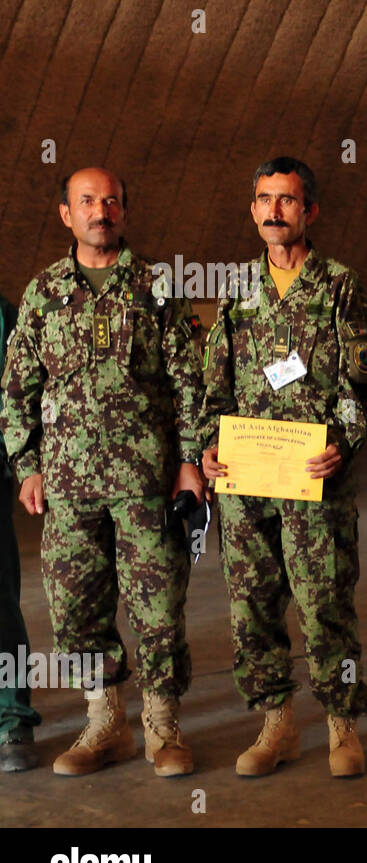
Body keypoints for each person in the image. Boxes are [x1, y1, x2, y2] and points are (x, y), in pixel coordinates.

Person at [0, 168, 205, 777]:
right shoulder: (43, 294)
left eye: (111, 200)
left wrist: (191, 460)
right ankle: (104, 721)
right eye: (87, 201)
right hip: (67, 489)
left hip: (148, 482)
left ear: (124, 210)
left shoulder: (158, 289)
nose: (101, 211)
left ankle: (163, 726)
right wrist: (28, 466)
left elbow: (188, 380)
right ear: (67, 215)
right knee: (75, 607)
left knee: (159, 605)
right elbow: (16, 389)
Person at [202, 157, 367, 778]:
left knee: (325, 600)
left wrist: (345, 441)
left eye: (289, 200)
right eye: (265, 200)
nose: (276, 211)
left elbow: (365, 384)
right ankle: (275, 721)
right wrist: (206, 448)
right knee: (251, 603)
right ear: (252, 209)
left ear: (310, 211)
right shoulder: (236, 289)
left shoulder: (339, 286)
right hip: (247, 485)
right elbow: (213, 383)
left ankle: (341, 722)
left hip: (314, 477)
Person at [0, 292, 42, 773]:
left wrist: (24, 462)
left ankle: (11, 715)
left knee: (0, 601)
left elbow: (21, 393)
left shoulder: (5, 314)